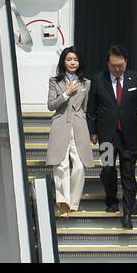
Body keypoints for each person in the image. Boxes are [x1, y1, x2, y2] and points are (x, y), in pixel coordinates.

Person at [87, 44, 137, 229]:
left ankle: (128, 212)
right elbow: (91, 109)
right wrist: (92, 131)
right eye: (114, 66)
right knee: (108, 169)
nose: (117, 69)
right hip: (107, 137)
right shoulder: (98, 80)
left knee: (128, 173)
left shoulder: (136, 78)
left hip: (129, 136)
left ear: (126, 63)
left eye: (121, 66)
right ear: (108, 63)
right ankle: (111, 199)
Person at [46, 46, 94, 215]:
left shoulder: (86, 83)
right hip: (60, 124)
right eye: (68, 59)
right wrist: (65, 94)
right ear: (63, 62)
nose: (72, 62)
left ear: (79, 62)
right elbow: (51, 105)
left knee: (80, 165)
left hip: (79, 125)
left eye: (75, 59)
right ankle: (62, 201)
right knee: (61, 164)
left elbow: (86, 108)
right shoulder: (54, 81)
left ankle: (73, 203)